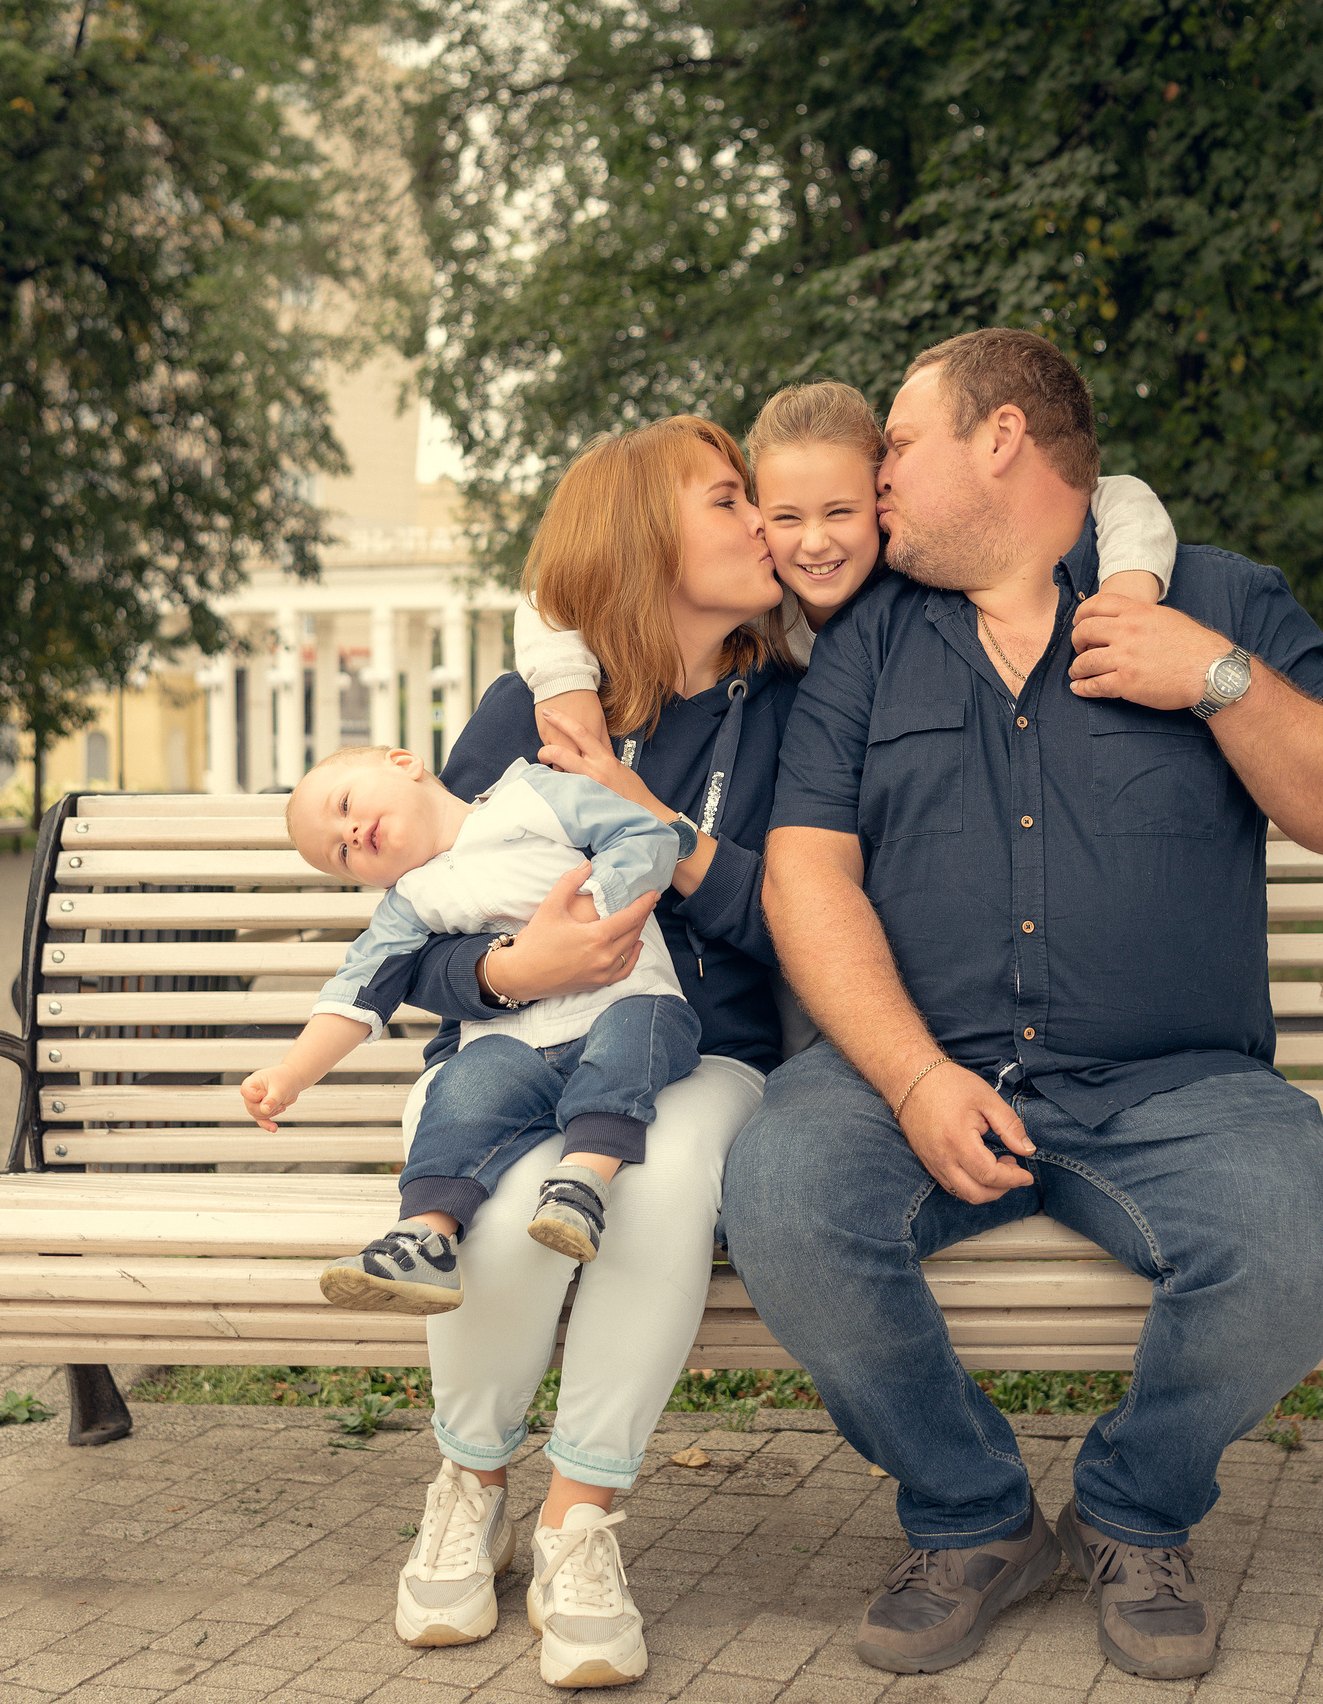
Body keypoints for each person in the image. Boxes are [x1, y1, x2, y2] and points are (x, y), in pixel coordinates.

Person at [725, 328, 1323, 1683]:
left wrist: (1213, 679)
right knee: (783, 1192)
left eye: (900, 450)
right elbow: (807, 874)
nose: (877, 489)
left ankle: (1132, 1511)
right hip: (914, 1073)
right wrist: (916, 1077)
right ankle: (975, 1516)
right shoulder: (869, 642)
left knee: (1294, 1244)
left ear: (1000, 441)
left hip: (1175, 1085)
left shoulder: (1216, 597)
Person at [371, 414, 799, 1689]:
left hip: (696, 1050)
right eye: (727, 502)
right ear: (645, 539)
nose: (760, 524)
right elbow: (415, 935)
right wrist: (511, 970)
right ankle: (470, 1476)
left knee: (657, 1190)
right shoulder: (524, 707)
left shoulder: (788, 707)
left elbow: (800, 921)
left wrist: (658, 831)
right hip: (511, 1044)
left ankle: (580, 1522)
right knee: (498, 1218)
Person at [238, 744, 700, 1312]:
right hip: (517, 1043)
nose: (352, 835)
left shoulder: (533, 796)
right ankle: (423, 1241)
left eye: (346, 805)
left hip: (625, 998)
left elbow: (648, 836)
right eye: (340, 853)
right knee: (460, 1089)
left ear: (403, 763)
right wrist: (290, 1073)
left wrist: (591, 906)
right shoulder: (410, 900)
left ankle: (581, 1182)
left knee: (630, 1044)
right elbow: (358, 988)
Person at [515, 379, 1181, 752]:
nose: (813, 545)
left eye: (840, 514)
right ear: (756, 512)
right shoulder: (756, 601)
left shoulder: (919, 580)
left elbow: (1115, 494)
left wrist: (1128, 591)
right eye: (785, 518)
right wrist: (566, 691)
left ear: (881, 500)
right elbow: (557, 591)